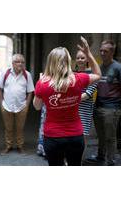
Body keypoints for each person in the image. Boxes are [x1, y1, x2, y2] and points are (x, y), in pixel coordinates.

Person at [33, 36, 101, 166]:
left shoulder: (42, 83)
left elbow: (37, 106)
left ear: (50, 62)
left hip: (53, 136)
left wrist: (43, 89)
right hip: (75, 135)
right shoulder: (78, 79)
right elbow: (98, 74)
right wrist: (88, 53)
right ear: (69, 61)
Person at [87, 40, 121, 166]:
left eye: (105, 51)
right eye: (101, 50)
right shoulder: (99, 68)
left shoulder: (118, 68)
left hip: (111, 109)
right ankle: (100, 157)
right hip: (98, 106)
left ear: (112, 52)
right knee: (101, 136)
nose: (102, 53)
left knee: (110, 137)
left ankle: (111, 162)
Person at [0, 54, 34, 154]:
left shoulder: (27, 75)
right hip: (7, 106)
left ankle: (20, 146)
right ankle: (8, 146)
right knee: (8, 128)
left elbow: (30, 91)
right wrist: (1, 104)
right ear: (12, 63)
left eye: (22, 62)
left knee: (20, 128)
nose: (20, 64)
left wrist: (26, 105)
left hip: (21, 106)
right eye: (17, 61)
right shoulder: (5, 73)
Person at [75, 50, 97, 157]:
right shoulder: (72, 74)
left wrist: (70, 99)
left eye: (82, 58)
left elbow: (87, 94)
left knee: (82, 138)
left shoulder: (92, 75)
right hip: (71, 110)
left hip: (84, 111)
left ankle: (79, 162)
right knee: (72, 137)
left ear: (87, 59)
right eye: (78, 58)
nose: (80, 60)